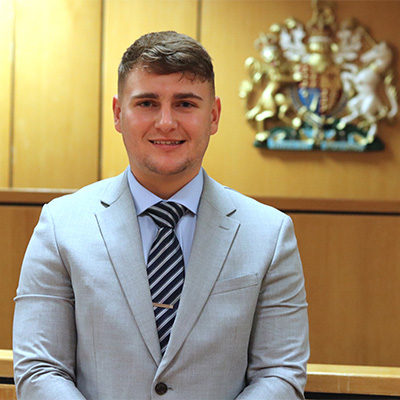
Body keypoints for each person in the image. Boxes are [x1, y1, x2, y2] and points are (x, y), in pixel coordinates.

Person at [13, 31, 309, 399]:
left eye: (185, 103)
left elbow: (279, 374)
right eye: (148, 103)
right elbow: (40, 368)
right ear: (119, 114)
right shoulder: (60, 225)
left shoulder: (270, 233)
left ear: (213, 116)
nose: (166, 122)